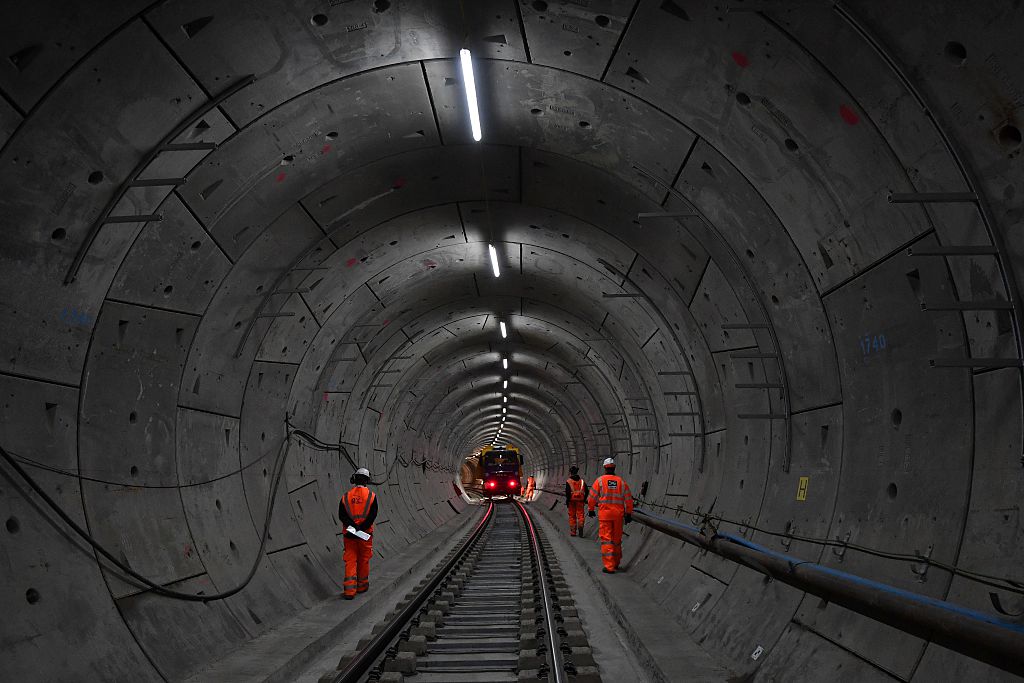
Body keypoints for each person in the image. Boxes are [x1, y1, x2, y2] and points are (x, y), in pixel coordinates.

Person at [587, 458, 633, 573]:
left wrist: (591, 509)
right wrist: (628, 513)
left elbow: (591, 497)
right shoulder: (621, 482)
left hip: (605, 516)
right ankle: (616, 563)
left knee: (607, 540)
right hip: (618, 516)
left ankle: (609, 566)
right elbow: (628, 500)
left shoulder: (600, 481)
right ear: (614, 468)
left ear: (604, 468)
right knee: (617, 540)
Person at [338, 467, 378, 599]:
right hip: (365, 535)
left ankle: (349, 591)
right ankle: (361, 586)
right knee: (364, 559)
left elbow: (342, 515)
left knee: (350, 559)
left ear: (354, 479)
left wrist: (353, 527)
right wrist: (361, 528)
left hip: (350, 534)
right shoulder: (371, 496)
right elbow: (372, 515)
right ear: (367, 480)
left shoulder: (345, 496)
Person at [564, 465, 589, 537]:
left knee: (572, 516)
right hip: (580, 501)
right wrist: (584, 499)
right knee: (580, 515)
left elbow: (567, 492)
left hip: (571, 501)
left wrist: (567, 501)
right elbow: (587, 491)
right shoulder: (582, 481)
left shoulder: (569, 481)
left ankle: (573, 532)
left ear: (571, 473)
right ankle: (580, 527)